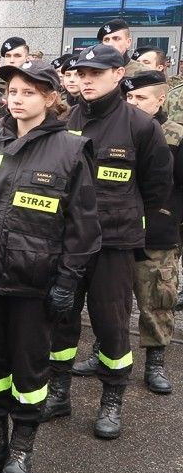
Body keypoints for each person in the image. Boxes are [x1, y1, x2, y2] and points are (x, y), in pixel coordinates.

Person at [0, 61, 100, 473]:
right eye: (13, 92)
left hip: (33, 283)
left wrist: (67, 280)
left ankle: (21, 449)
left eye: (29, 93)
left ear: (50, 98)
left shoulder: (71, 148)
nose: (18, 99)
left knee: (29, 369)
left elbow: (84, 228)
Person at [41, 44, 173, 439]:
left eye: (94, 74)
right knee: (60, 320)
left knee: (112, 324)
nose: (85, 80)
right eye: (80, 74)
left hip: (113, 243)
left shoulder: (140, 125)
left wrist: (122, 218)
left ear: (118, 74)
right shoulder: (63, 119)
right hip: (67, 240)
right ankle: (59, 392)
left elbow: (156, 188)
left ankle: (111, 401)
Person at [119, 71, 183, 394]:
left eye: (140, 98)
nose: (132, 103)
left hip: (158, 232)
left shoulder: (176, 136)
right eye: (128, 97)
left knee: (157, 299)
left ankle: (155, 363)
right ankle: (105, 354)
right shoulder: (116, 130)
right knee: (111, 301)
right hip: (118, 230)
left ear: (160, 100)